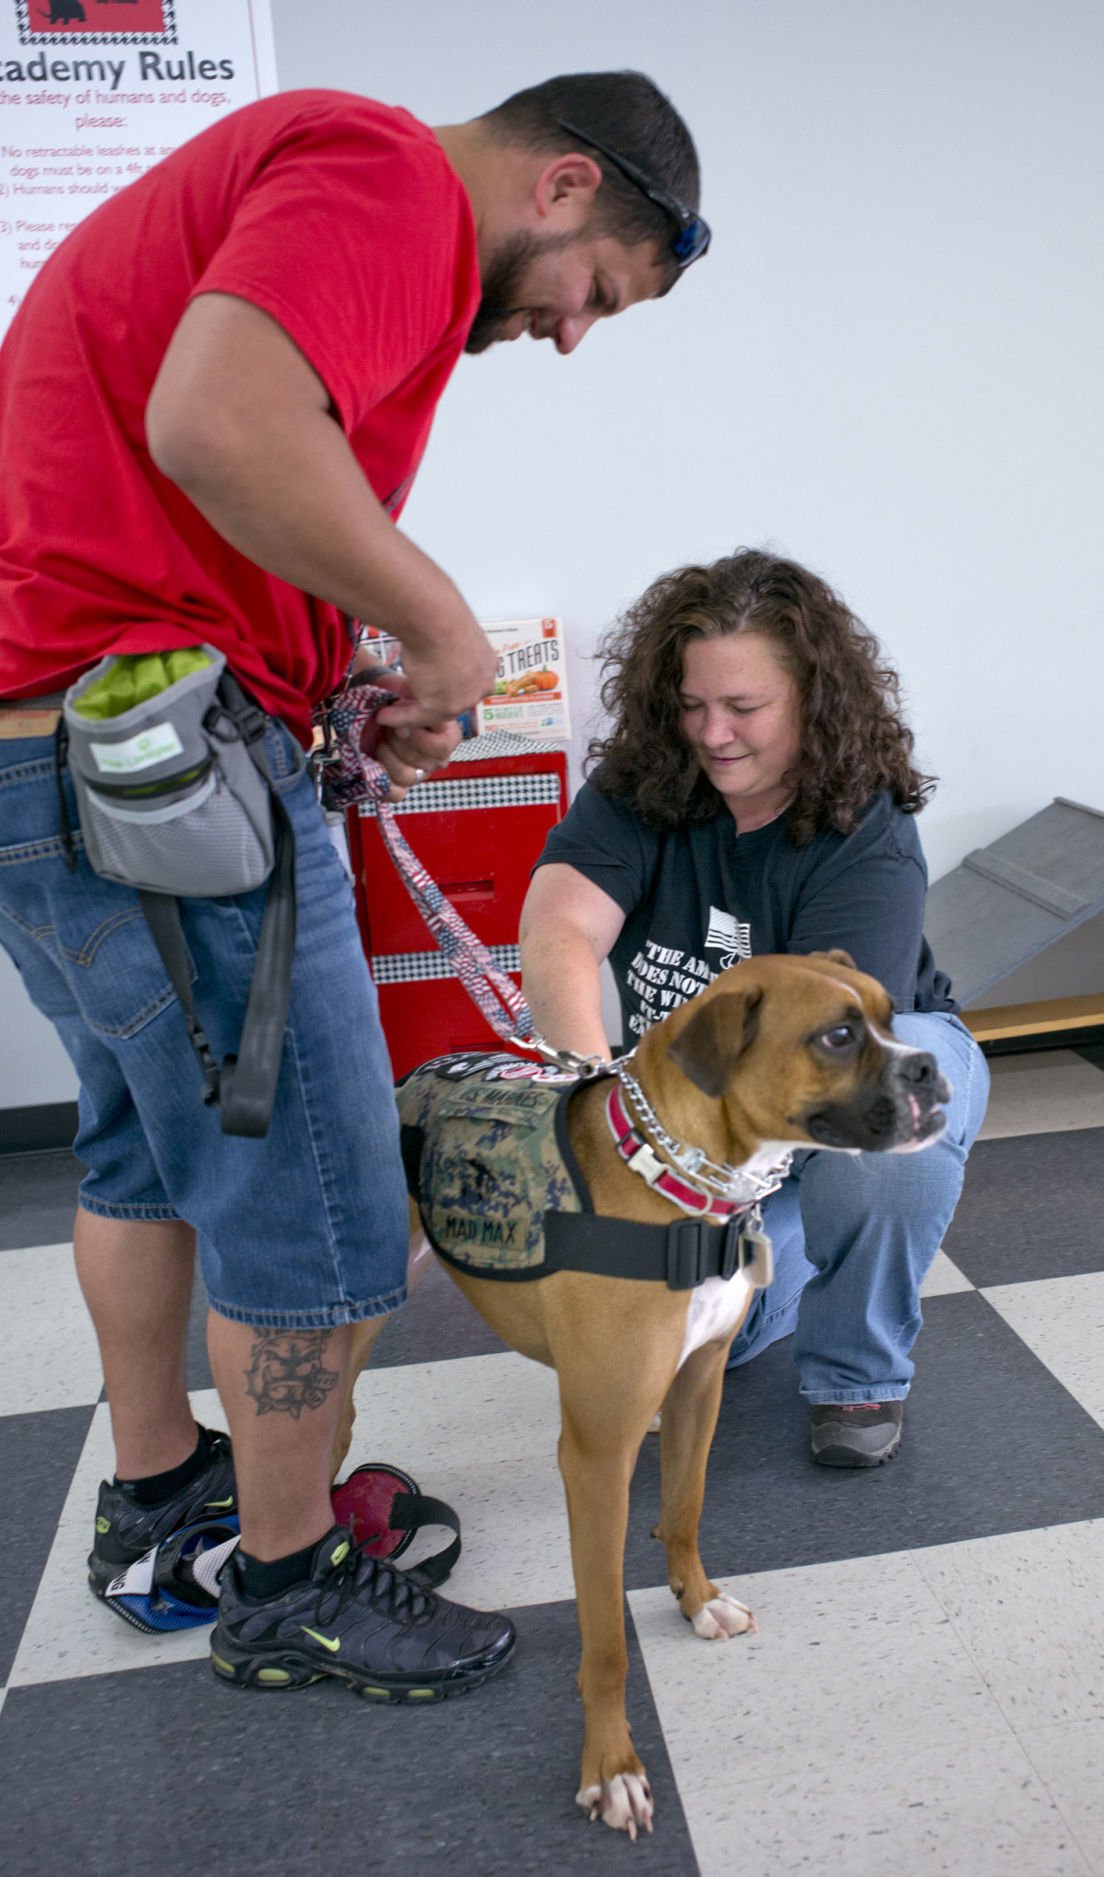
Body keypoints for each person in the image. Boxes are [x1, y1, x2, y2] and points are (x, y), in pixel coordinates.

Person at [0, 72, 709, 1698]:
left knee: (138, 1148)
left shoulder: (301, 176)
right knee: (324, 1212)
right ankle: (289, 1574)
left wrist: (338, 658)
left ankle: (168, 1483)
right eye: (595, 289)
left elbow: (196, 474)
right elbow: (220, 421)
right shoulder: (387, 173)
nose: (572, 333)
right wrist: (444, 626)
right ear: (559, 184)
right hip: (161, 773)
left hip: (55, 751)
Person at [520, 549, 990, 1466]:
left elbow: (835, 1056)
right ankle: (794, 1261)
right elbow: (560, 932)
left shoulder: (867, 828)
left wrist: (704, 1190)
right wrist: (588, 1098)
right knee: (719, 1316)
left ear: (812, 700)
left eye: (744, 708)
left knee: (878, 1156)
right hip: (707, 1094)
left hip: (865, 1061)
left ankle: (856, 1376)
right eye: (693, 706)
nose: (713, 733)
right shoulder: (639, 789)